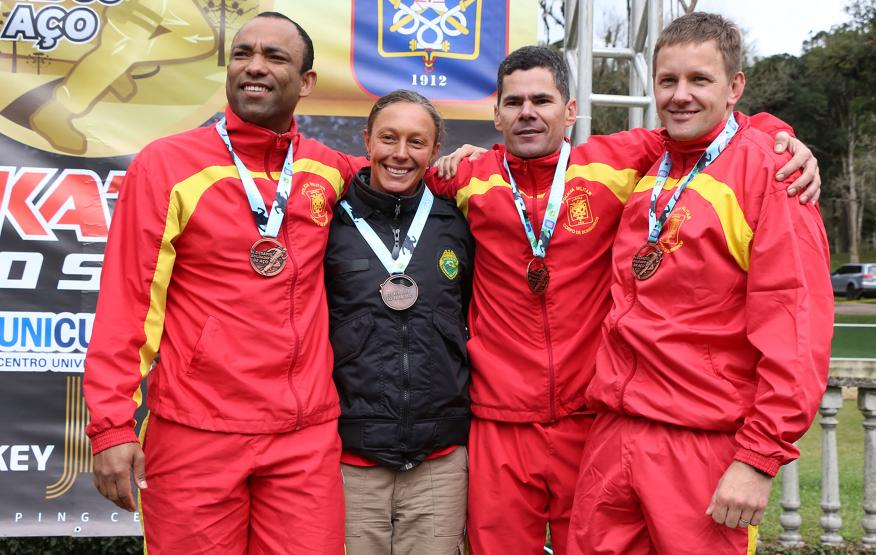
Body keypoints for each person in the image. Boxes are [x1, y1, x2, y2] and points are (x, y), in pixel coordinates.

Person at [427, 45, 822, 554]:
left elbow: (709, 126)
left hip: (588, 420)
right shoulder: (464, 177)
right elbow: (390, 165)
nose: (528, 112)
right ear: (496, 114)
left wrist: (781, 137)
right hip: (500, 421)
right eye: (514, 102)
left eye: (543, 100)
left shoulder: (617, 159)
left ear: (569, 110)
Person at [83, 12, 361, 554]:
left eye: (275, 57)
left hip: (303, 438)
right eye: (242, 53)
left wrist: (461, 163)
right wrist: (112, 426)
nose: (254, 67)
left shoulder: (330, 171)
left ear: (306, 82)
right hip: (196, 431)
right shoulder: (167, 164)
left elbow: (403, 170)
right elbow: (129, 304)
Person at [566, 13, 833, 554]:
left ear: (735, 87)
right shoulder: (649, 164)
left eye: (699, 80)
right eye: (668, 81)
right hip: (613, 434)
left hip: (702, 445)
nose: (680, 95)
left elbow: (796, 329)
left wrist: (758, 458)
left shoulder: (770, 174)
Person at [325, 89, 473, 555]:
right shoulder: (330, 219)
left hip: (439, 462)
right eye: (388, 138)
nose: (400, 154)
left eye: (416, 142)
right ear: (367, 140)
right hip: (351, 459)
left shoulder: (460, 219)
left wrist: (485, 159)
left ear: (435, 150)